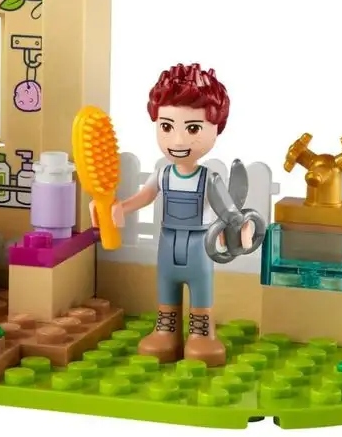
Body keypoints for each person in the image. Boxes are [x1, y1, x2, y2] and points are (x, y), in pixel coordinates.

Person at [93, 64, 252, 366]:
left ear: (216, 128)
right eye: (167, 127)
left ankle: (202, 331)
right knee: (166, 283)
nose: (178, 141)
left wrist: (241, 228)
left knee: (201, 285)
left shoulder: (209, 178)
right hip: (168, 241)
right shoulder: (163, 174)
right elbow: (145, 195)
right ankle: (166, 328)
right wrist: (121, 207)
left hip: (199, 243)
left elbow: (228, 210)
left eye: (192, 129)